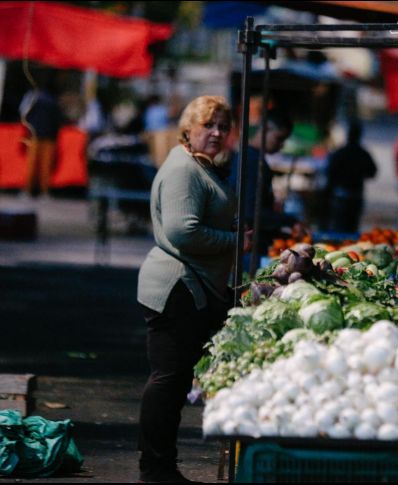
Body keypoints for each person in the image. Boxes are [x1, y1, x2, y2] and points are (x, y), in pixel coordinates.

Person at [136, 95, 238, 483]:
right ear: (188, 129)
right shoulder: (184, 169)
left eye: (223, 127)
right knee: (169, 379)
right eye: (208, 126)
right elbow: (184, 230)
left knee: (175, 381)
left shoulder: (200, 166)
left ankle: (162, 466)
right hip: (176, 287)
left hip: (190, 285)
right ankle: (155, 470)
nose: (216, 133)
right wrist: (233, 241)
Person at [228, 109, 299, 255]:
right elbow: (250, 211)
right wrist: (290, 221)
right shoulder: (251, 161)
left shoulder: (254, 158)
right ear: (266, 128)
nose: (281, 145)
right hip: (248, 246)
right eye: (279, 138)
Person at [326, 121, 378, 233]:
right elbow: (372, 172)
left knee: (339, 228)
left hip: (342, 195)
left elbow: (330, 173)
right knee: (351, 228)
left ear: (348, 135)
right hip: (355, 195)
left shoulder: (340, 152)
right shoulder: (363, 153)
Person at [19, 80, 62, 198]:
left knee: (31, 165)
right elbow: (58, 121)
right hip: (49, 137)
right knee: (46, 166)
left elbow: (24, 114)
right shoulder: (54, 102)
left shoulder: (33, 99)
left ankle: (27, 190)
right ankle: (44, 191)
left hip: (35, 135)